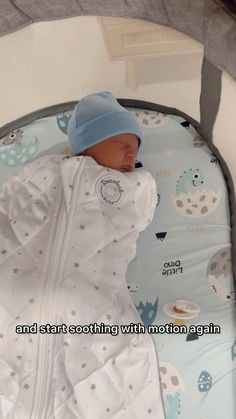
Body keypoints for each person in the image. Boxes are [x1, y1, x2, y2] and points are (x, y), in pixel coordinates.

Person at [67, 90, 143, 172]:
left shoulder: (138, 182)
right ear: (84, 150)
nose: (131, 155)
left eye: (136, 153)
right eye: (122, 144)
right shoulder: (63, 176)